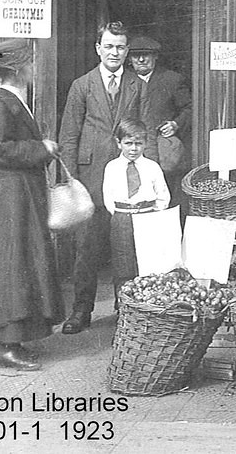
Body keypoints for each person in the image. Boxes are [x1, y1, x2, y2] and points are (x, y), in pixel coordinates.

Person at [0, 39, 65, 371]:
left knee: (18, 261)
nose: (34, 68)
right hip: (8, 197)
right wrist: (42, 148)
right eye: (31, 63)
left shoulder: (12, 100)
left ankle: (13, 338)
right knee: (12, 263)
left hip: (16, 194)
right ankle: (5, 343)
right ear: (18, 68)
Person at [58, 21, 151, 334]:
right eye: (109, 46)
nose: (115, 52)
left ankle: (124, 311)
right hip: (90, 178)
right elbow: (69, 136)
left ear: (127, 51)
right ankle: (80, 312)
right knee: (87, 249)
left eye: (120, 47)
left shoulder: (137, 86)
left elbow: (142, 130)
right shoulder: (81, 86)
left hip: (127, 177)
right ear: (98, 48)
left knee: (126, 247)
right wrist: (70, 181)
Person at [103, 118, 170, 302]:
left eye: (138, 144)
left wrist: (151, 213)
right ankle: (123, 306)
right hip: (122, 218)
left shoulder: (152, 167)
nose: (133, 149)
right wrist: (123, 213)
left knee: (148, 263)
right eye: (128, 143)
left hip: (147, 217)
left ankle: (146, 305)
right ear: (118, 143)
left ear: (145, 144)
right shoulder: (112, 168)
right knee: (122, 263)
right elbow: (108, 198)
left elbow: (163, 196)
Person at [126, 36, 191, 208]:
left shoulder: (172, 80)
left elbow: (190, 109)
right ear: (129, 59)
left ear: (155, 56)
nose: (141, 59)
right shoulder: (123, 81)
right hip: (131, 150)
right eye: (135, 55)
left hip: (162, 153)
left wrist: (175, 124)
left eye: (146, 55)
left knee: (163, 199)